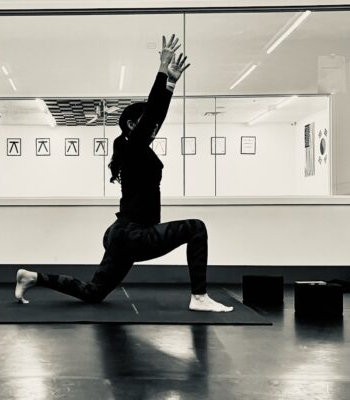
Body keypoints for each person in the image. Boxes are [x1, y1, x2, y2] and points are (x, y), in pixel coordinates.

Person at [14, 34, 233, 312]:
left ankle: (33, 277)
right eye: (145, 124)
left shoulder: (133, 149)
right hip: (135, 235)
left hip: (120, 234)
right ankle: (199, 297)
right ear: (131, 124)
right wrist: (164, 73)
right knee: (196, 228)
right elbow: (154, 114)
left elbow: (155, 118)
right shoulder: (132, 147)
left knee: (93, 292)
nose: (154, 128)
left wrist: (170, 83)